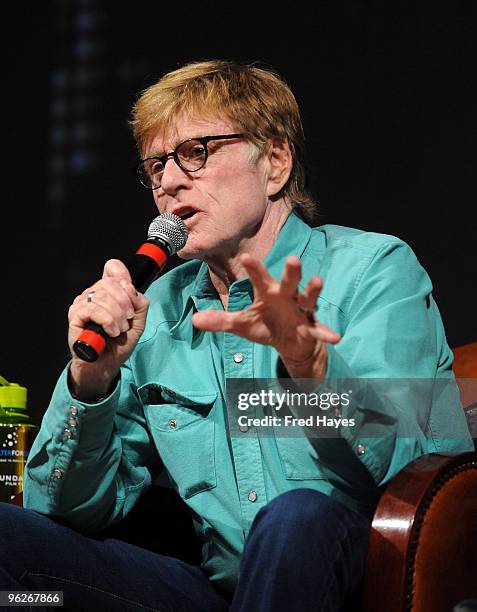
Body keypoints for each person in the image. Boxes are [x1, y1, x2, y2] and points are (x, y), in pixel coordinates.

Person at [0, 60, 472, 611]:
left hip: (364, 581)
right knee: (16, 553)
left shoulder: (375, 269)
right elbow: (61, 510)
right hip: (222, 590)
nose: (169, 181)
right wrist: (91, 384)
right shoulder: (159, 313)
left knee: (297, 518)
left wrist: (313, 371)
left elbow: (416, 459)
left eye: (196, 152)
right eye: (155, 166)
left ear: (274, 162)